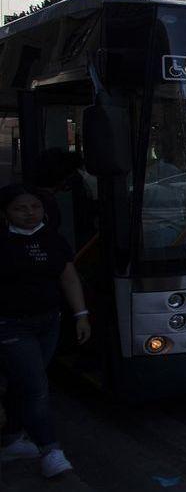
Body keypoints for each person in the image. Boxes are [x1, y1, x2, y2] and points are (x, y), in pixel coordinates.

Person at [0, 184, 89, 478]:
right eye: (20, 208)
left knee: (23, 383)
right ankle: (50, 451)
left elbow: (69, 279)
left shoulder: (53, 240)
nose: (29, 213)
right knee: (37, 388)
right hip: (12, 325)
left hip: (49, 323)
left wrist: (81, 315)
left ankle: (12, 438)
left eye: (34, 207)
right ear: (7, 212)